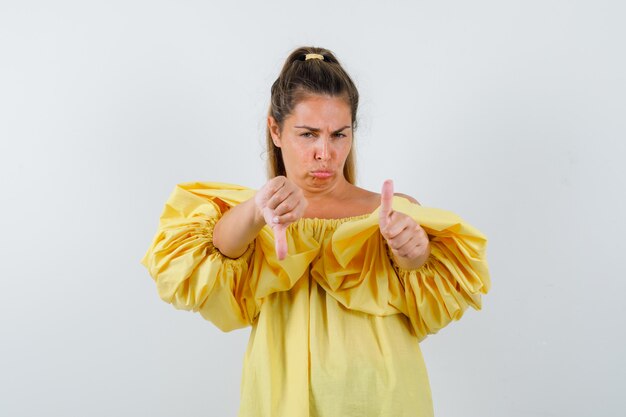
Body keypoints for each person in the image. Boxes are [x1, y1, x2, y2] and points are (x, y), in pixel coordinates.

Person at [140, 46, 491, 417]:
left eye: (338, 135)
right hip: (281, 398)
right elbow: (213, 255)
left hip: (383, 398)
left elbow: (426, 294)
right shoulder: (253, 216)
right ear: (275, 130)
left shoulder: (389, 211)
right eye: (307, 135)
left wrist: (413, 251)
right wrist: (259, 209)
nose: (325, 152)